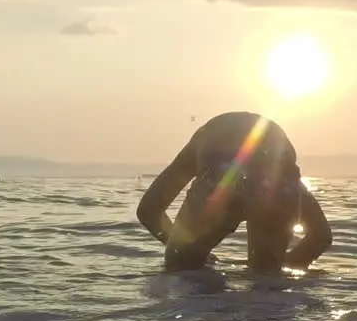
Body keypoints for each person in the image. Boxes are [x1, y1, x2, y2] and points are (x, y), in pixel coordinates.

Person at [136, 111, 331, 274]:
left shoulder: (202, 141)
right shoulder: (281, 169)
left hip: (220, 177)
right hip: (277, 180)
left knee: (182, 271)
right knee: (267, 284)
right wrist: (285, 268)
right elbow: (321, 236)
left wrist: (183, 249)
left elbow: (148, 211)